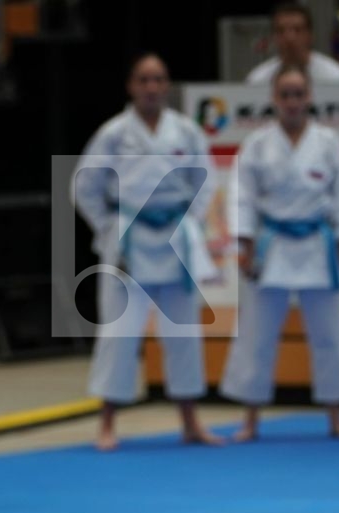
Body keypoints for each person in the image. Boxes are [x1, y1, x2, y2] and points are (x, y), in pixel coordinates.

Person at [74, 53, 225, 451]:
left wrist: (190, 223)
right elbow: (85, 185)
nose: (152, 87)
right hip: (130, 236)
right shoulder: (114, 132)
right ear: (131, 86)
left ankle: (190, 420)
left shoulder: (185, 131)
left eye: (158, 80)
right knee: (119, 332)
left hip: (175, 234)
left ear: (167, 85)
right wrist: (108, 226)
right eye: (144, 80)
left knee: (184, 331)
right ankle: (107, 423)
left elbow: (205, 180)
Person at [219, 64, 339, 442]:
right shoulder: (257, 145)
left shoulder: (328, 142)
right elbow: (243, 197)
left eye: (298, 94)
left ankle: (336, 417)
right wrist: (245, 246)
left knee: (330, 333)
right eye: (285, 94)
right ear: (274, 99)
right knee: (257, 334)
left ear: (309, 97)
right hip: (273, 245)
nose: (292, 101)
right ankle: (250, 419)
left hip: (318, 243)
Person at [246, 2, 339, 84]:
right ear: (274, 37)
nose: (289, 38)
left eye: (297, 30)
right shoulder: (258, 80)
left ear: (310, 35)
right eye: (281, 31)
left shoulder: (336, 77)